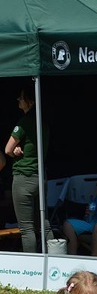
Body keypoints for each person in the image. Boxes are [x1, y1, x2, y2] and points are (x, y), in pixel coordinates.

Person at [4, 81, 52, 252]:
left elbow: (7, 149)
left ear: (30, 101)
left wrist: (13, 152)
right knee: (44, 224)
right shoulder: (43, 122)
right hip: (40, 177)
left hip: (23, 178)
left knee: (26, 228)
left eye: (22, 97)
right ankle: (56, 259)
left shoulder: (24, 122)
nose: (18, 99)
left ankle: (31, 269)